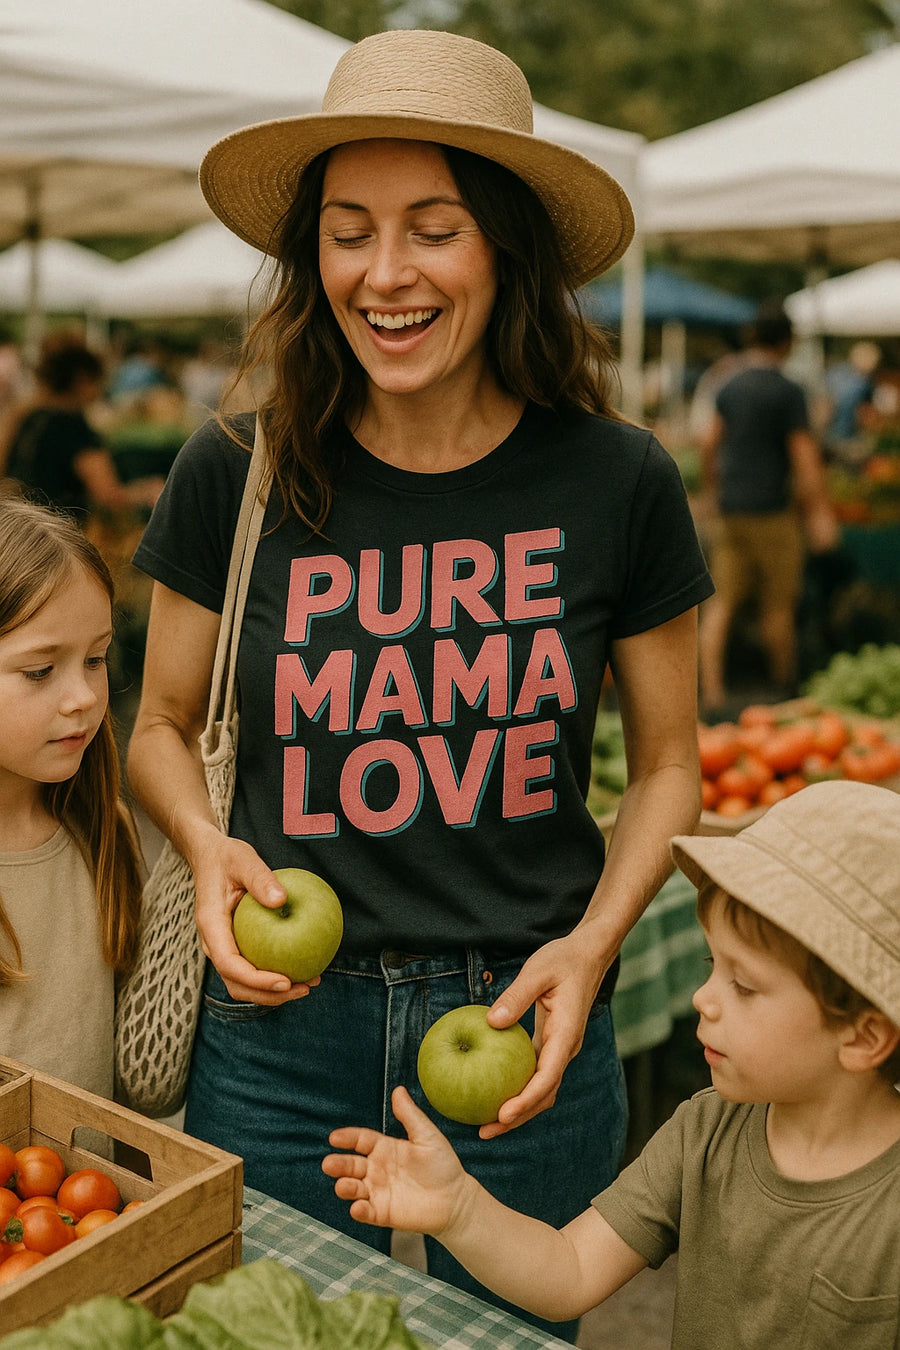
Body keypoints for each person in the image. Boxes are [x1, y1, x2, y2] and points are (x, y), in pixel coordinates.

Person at [126, 29, 713, 1338]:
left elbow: (671, 758)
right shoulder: (237, 468)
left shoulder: (618, 481)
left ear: (503, 246)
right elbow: (158, 723)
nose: (384, 273)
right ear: (311, 255)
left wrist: (593, 943)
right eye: (348, 231)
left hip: (521, 1023)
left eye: (432, 227)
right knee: (262, 1331)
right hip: (278, 1037)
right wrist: (205, 839)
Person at [324, 779, 900, 1349]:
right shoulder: (704, 1133)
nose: (704, 998)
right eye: (711, 964)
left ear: (864, 1036)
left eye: (744, 986)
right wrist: (459, 1209)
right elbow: (570, 1271)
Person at [0, 492, 144, 1099]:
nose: (83, 696)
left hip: (101, 1194)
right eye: (40, 670)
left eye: (96, 659)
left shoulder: (104, 832)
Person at [698, 303, 838, 716]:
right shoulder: (788, 391)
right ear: (787, 342)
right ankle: (785, 692)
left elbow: (710, 443)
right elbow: (805, 459)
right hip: (774, 514)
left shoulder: (729, 385)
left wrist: (713, 491)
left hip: (731, 512)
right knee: (778, 605)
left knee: (721, 603)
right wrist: (819, 513)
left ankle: (713, 693)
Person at [2, 334, 164, 524]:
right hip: (59, 533)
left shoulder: (27, 417)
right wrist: (148, 491)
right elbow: (108, 495)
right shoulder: (74, 427)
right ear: (82, 379)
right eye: (98, 380)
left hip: (18, 527)